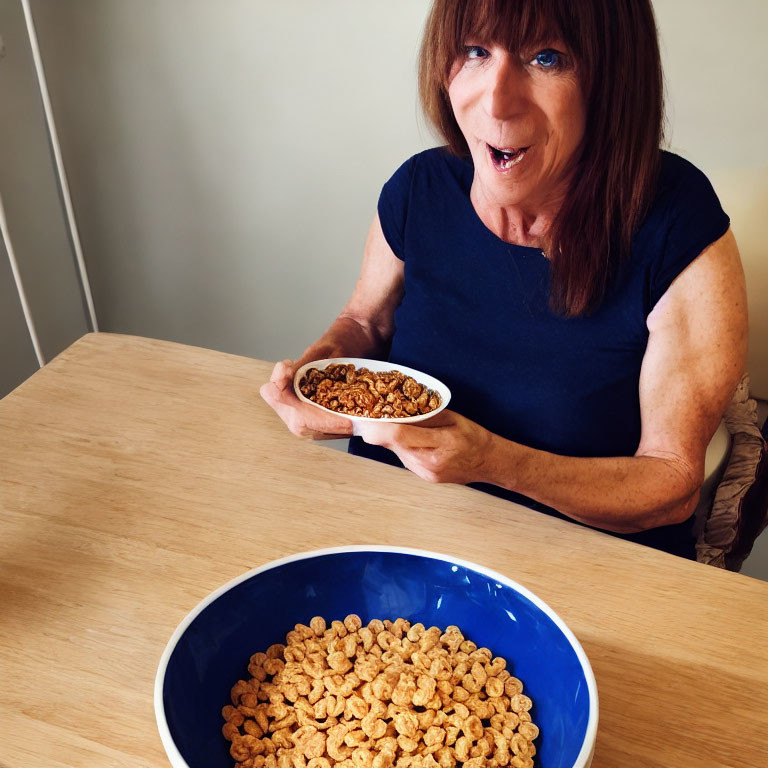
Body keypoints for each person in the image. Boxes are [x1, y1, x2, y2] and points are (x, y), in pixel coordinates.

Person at [260, 0, 748, 559]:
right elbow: (364, 321)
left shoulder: (676, 223)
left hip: (586, 567)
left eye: (546, 58)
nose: (495, 100)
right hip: (395, 538)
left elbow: (670, 485)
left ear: (613, 81)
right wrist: (314, 371)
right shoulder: (420, 188)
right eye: (474, 51)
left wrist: (494, 462)